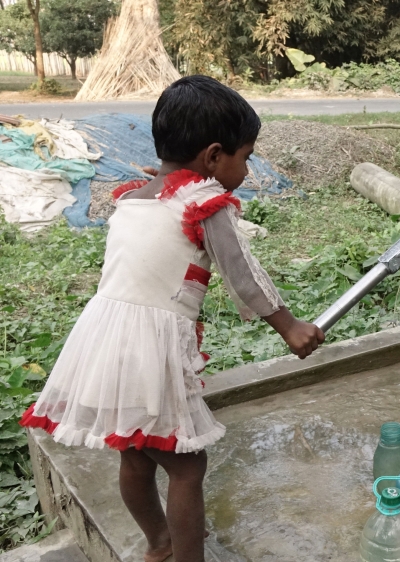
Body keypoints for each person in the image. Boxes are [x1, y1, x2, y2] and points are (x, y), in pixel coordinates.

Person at [20, 76, 325, 562]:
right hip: (149, 345)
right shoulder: (204, 202)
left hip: (103, 340)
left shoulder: (132, 200)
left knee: (136, 453)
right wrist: (289, 325)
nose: (245, 170)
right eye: (245, 158)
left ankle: (160, 544)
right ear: (213, 156)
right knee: (187, 466)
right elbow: (243, 274)